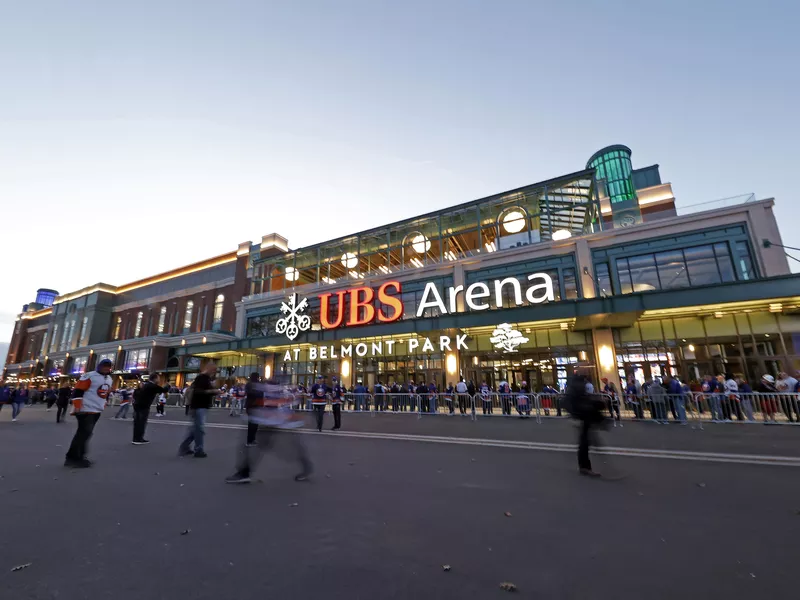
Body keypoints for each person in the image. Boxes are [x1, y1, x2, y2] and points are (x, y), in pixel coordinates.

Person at [226, 376, 313, 484]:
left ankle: (244, 472)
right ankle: (244, 472)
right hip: (273, 421)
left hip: (272, 421)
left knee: (284, 447)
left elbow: (275, 403)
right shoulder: (272, 389)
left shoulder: (266, 389)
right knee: (268, 446)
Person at [65, 359, 114, 468]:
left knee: (85, 434)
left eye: (108, 366)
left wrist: (103, 404)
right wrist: (77, 406)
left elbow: (105, 393)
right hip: (85, 409)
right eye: (104, 366)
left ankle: (78, 456)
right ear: (99, 366)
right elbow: (78, 391)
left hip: (96, 410)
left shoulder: (109, 378)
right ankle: (73, 458)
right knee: (83, 434)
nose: (106, 368)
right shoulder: (89, 376)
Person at [565, 372, 606, 477]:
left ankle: (584, 466)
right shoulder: (576, 386)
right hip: (580, 417)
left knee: (585, 441)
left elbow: (583, 400)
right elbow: (576, 402)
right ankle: (584, 466)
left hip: (582, 416)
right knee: (584, 442)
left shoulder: (578, 385)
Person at [178, 362, 219, 458]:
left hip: (200, 406)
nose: (214, 372)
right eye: (213, 370)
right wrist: (212, 391)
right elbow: (198, 391)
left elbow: (202, 391)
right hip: (198, 406)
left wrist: (213, 391)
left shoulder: (206, 379)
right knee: (199, 429)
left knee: (196, 429)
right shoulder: (201, 378)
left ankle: (185, 447)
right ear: (208, 368)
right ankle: (198, 450)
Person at [133, 374, 170, 444]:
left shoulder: (147, 385)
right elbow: (164, 390)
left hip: (138, 405)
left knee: (137, 422)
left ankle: (136, 438)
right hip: (144, 406)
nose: (159, 380)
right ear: (155, 379)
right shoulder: (152, 386)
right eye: (158, 378)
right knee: (141, 422)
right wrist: (167, 384)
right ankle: (139, 439)